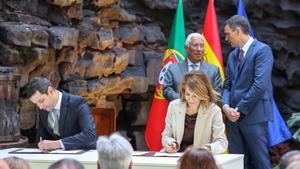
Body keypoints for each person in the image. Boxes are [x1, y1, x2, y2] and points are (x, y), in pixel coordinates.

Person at [222, 15, 274, 169]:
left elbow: (259, 85)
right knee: (236, 164)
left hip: (254, 117)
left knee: (260, 163)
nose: (226, 38)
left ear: (238, 31)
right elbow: (227, 85)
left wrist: (238, 109)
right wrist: (225, 106)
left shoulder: (263, 50)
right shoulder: (232, 55)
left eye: (227, 33)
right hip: (233, 120)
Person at [162, 71, 228, 154]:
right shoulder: (174, 106)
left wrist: (208, 148)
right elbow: (166, 135)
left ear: (202, 94)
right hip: (176, 155)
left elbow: (222, 142)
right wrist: (171, 143)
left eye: (195, 96)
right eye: (188, 94)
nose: (190, 99)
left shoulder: (214, 110)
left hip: (201, 158)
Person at [25, 77, 97, 151]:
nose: (40, 107)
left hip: (83, 156)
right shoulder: (44, 108)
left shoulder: (78, 103)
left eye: (41, 101)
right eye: (36, 104)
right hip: (56, 157)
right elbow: (42, 135)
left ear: (50, 91)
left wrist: (57, 144)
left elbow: (90, 136)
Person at [163, 32, 222, 101]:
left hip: (205, 109)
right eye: (195, 45)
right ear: (186, 48)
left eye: (202, 46)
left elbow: (218, 93)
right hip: (180, 108)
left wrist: (201, 101)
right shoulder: (173, 68)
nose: (199, 49)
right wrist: (184, 99)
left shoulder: (213, 70)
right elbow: (166, 90)